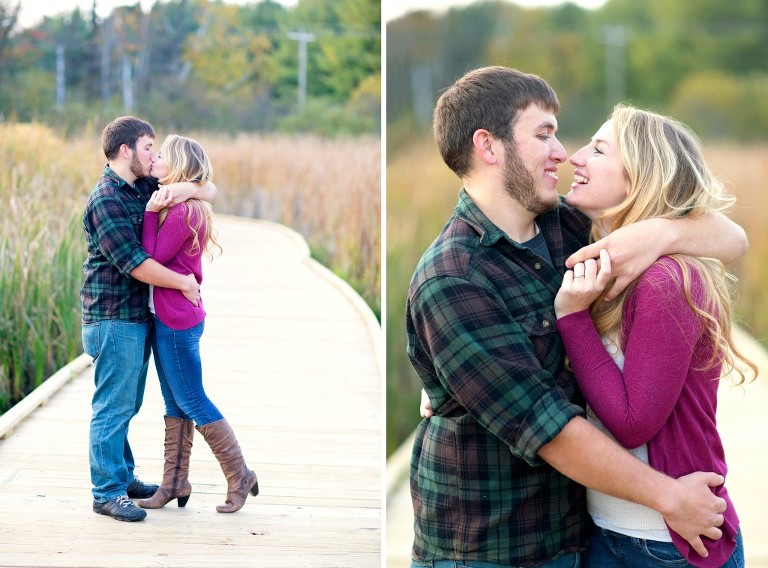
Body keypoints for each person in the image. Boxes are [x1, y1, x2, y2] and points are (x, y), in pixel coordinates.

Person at [406, 67, 747, 567]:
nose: (563, 152)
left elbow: (730, 237)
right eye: (543, 133)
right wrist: (670, 498)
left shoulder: (567, 227)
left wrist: (661, 234)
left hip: (577, 536)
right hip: (492, 546)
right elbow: (550, 430)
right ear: (489, 146)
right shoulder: (453, 279)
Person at [553, 105, 756, 567]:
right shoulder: (583, 250)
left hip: (667, 546)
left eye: (599, 149)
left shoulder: (668, 283)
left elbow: (631, 424)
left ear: (640, 178)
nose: (575, 157)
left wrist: (573, 319)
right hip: (606, 533)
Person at [81, 116, 216, 522]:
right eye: (148, 147)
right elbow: (135, 264)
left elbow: (210, 188)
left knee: (129, 403)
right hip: (111, 318)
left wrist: (188, 186)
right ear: (126, 151)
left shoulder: (141, 185)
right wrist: (184, 283)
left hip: (136, 317)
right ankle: (106, 492)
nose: (155, 155)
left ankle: (121, 477)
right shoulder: (106, 199)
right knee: (112, 407)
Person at [136, 134, 259, 514]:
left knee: (191, 398)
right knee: (175, 401)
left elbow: (152, 256)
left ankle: (240, 474)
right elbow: (206, 188)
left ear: (175, 166)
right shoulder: (186, 201)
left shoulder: (181, 212)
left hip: (177, 321)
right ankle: (174, 482)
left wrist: (150, 213)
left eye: (161, 157)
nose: (154, 160)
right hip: (170, 317)